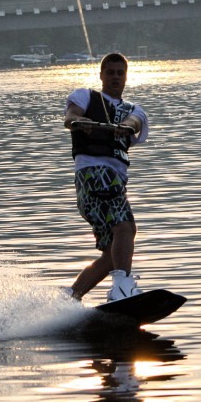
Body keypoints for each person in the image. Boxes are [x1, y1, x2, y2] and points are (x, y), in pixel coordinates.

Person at [63, 52, 149, 302]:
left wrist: (125, 126)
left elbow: (134, 123)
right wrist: (80, 121)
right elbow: (70, 117)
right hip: (94, 175)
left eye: (119, 73)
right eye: (109, 73)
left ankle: (66, 301)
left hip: (108, 185)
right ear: (101, 75)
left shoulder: (136, 110)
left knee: (113, 254)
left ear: (126, 76)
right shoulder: (85, 96)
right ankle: (122, 290)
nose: (114, 77)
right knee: (126, 227)